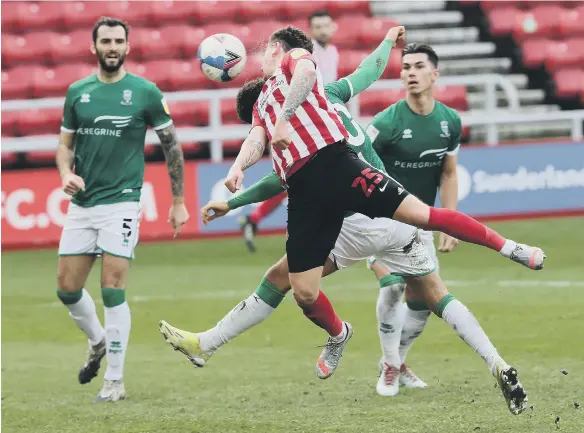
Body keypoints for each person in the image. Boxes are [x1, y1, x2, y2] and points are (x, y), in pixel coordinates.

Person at [160, 28, 537, 414]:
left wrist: (242, 187)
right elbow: (369, 71)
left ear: (279, 52)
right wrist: (388, 42)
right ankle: (494, 356)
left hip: (346, 212)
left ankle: (349, 345)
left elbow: (281, 174)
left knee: (287, 281)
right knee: (430, 279)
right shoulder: (328, 94)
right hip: (370, 207)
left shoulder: (295, 85)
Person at [55, 17, 189, 402]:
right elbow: (65, 145)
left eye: (118, 41)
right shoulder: (77, 93)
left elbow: (172, 145)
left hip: (123, 203)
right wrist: (66, 172)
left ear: (128, 47)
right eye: (105, 41)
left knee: (112, 289)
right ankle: (97, 341)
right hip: (83, 204)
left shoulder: (145, 92)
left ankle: (114, 380)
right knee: (67, 290)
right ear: (93, 47)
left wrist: (177, 201)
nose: (112, 47)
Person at [365, 42, 465, 389]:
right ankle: (391, 368)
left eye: (418, 66)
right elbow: (355, 163)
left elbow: (448, 174)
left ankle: (395, 360)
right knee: (393, 286)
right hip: (380, 222)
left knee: (422, 302)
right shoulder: (385, 123)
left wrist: (449, 220)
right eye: (405, 67)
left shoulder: (450, 122)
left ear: (434, 74)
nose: (410, 72)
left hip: (421, 225)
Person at [238, 11, 340, 252]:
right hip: (298, 122)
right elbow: (303, 78)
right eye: (318, 26)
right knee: (295, 178)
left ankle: (254, 219)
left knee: (293, 180)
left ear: (333, 27)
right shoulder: (301, 53)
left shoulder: (333, 52)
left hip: (320, 119)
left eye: (326, 25)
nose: (323, 29)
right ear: (311, 30)